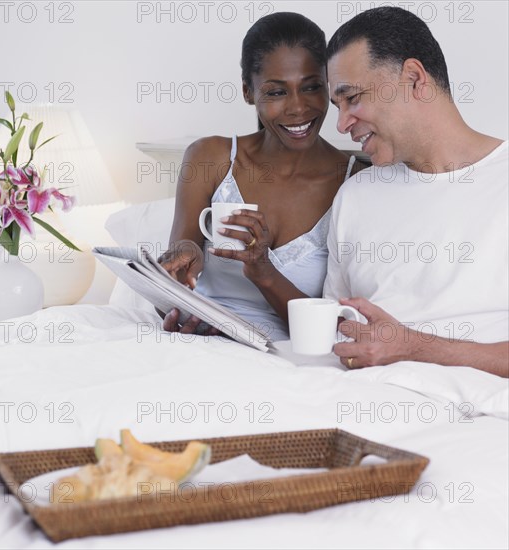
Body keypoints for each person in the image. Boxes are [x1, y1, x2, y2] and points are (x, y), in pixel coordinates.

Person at [323, 7, 508, 377]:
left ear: (414, 78)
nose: (342, 124)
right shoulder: (355, 196)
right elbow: (336, 329)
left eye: (353, 98)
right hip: (352, 402)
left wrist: (413, 348)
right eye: (337, 106)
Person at [159, 12, 364, 341]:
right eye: (276, 92)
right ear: (248, 92)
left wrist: (264, 272)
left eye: (311, 87)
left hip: (287, 358)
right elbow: (175, 273)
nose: (298, 108)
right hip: (199, 343)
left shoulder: (355, 184)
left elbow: (337, 332)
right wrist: (177, 281)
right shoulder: (210, 159)